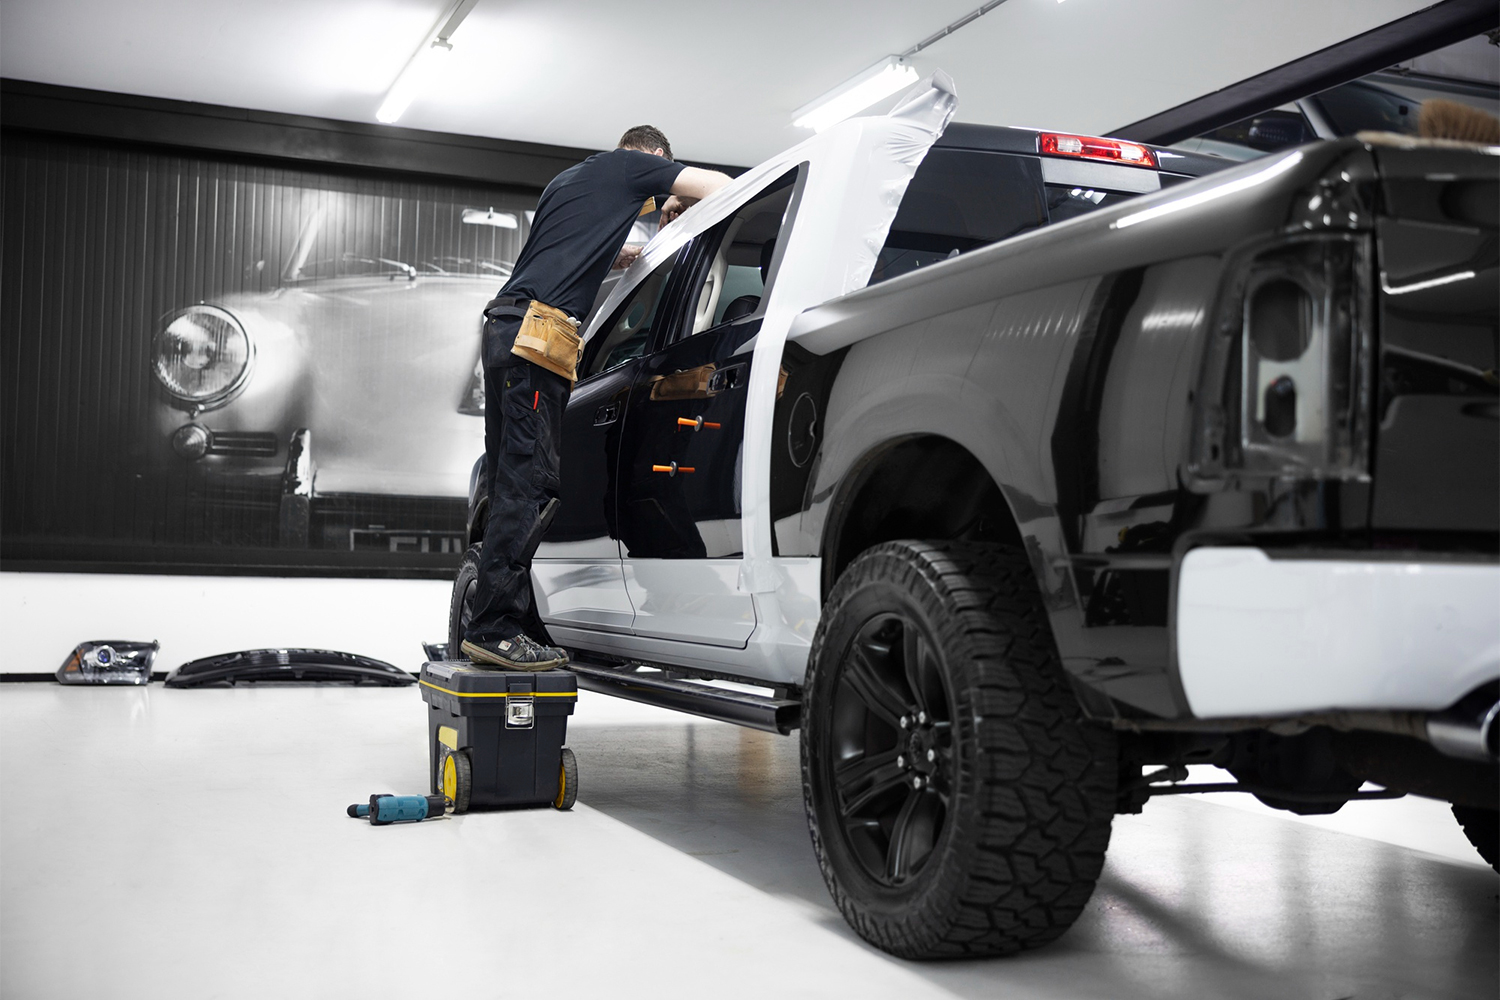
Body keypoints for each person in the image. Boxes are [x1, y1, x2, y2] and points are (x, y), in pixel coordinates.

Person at [461, 125, 732, 670]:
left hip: (505, 328)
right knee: (529, 486)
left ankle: (507, 622)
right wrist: (675, 199)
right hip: (537, 338)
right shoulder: (633, 165)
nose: (657, 199)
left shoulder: (566, 181)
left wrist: (626, 255)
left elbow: (566, 254)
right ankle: (495, 630)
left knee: (510, 482)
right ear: (655, 156)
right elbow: (722, 186)